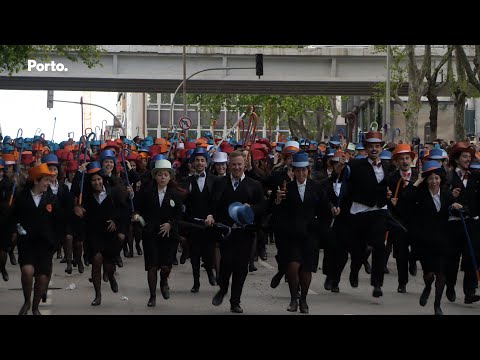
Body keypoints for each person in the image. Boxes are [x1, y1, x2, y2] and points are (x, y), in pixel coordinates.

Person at [208, 150, 266, 313]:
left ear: (245, 165)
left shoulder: (254, 185)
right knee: (226, 264)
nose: (237, 167)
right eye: (233, 164)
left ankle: (235, 302)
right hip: (225, 232)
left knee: (241, 267)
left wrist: (252, 208)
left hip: (245, 233)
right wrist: (210, 215)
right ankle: (223, 289)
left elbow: (262, 206)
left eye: (239, 164)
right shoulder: (220, 184)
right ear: (228, 165)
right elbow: (213, 204)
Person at [274, 151, 330, 313]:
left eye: (304, 170)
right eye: (297, 170)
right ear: (293, 171)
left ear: (308, 170)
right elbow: (277, 211)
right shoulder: (286, 188)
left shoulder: (316, 188)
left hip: (310, 234)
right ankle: (293, 299)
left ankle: (304, 300)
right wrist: (277, 200)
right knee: (292, 266)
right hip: (291, 235)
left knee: (306, 269)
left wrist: (323, 226)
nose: (301, 173)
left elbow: (325, 209)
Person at [405, 161, 460, 315]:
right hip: (424, 241)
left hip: (443, 240)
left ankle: (437, 304)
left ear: (441, 179)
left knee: (441, 272)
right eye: (431, 179)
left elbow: (457, 208)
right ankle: (428, 286)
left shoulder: (447, 194)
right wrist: (417, 181)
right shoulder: (420, 195)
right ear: (426, 180)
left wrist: (457, 207)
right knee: (429, 274)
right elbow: (405, 198)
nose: (434, 181)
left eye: (436, 178)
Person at [73, 162, 128, 306]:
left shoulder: (113, 192)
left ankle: (111, 276)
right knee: (96, 262)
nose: (96, 182)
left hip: (110, 233)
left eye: (98, 179)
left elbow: (123, 210)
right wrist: (79, 172)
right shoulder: (86, 195)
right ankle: (97, 295)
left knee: (108, 264)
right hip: (93, 233)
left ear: (103, 179)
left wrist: (116, 221)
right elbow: (73, 191)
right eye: (93, 180)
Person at [134, 159, 184, 307]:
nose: (163, 177)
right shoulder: (146, 192)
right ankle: (152, 295)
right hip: (151, 234)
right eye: (160, 174)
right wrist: (137, 216)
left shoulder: (175, 194)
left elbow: (179, 215)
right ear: (155, 176)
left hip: (169, 236)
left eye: (166, 175)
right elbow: (137, 209)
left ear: (170, 177)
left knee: (165, 267)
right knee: (152, 266)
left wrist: (170, 224)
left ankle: (164, 281)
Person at [10, 163, 58, 315]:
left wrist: (56, 240)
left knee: (42, 277)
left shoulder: (51, 198)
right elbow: (13, 218)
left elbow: (59, 220)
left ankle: (36, 306)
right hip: (27, 242)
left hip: (45, 243)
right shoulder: (21, 197)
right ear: (36, 181)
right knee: (27, 271)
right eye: (45, 180)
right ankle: (27, 301)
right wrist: (17, 228)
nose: (48, 184)